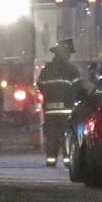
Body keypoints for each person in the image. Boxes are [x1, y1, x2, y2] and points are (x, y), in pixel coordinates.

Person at [37, 39, 86, 167]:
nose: (70, 55)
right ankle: (68, 161)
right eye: (69, 53)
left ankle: (51, 160)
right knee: (67, 136)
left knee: (51, 136)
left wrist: (50, 96)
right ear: (65, 54)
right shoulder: (72, 70)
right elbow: (79, 88)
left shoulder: (47, 69)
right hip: (67, 110)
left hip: (50, 109)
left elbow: (40, 85)